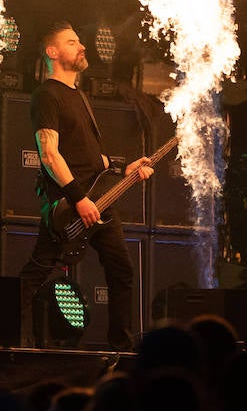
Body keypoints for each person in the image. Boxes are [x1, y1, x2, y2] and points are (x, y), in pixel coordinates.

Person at [17, 20, 153, 351]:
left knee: (122, 272)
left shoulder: (79, 95)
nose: (82, 46)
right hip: (69, 206)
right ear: (53, 52)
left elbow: (92, 158)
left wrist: (125, 168)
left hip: (99, 202)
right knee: (34, 278)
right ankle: (15, 344)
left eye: (80, 41)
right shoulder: (47, 95)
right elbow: (49, 155)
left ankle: (120, 349)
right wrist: (78, 199)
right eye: (72, 41)